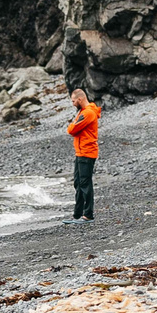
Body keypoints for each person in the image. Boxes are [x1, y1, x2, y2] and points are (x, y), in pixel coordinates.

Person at [66, 88, 100, 221]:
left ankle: (88, 215)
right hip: (81, 152)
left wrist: (72, 124)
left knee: (85, 183)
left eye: (74, 101)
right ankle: (78, 215)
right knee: (78, 183)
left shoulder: (88, 113)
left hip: (87, 152)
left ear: (80, 99)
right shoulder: (83, 112)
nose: (73, 103)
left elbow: (72, 129)